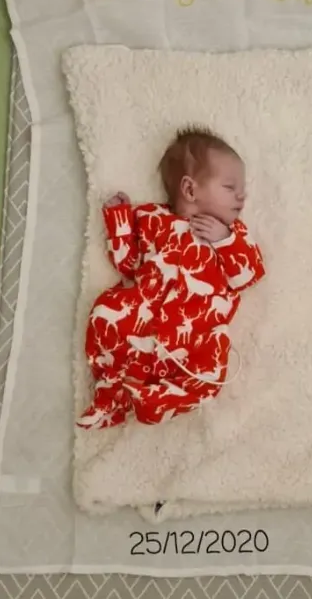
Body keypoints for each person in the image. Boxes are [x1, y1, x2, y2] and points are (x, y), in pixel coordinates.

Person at [77, 125, 265, 430]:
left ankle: (158, 401)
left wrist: (225, 240)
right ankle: (111, 394)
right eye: (230, 187)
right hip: (143, 323)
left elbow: (248, 276)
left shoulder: (233, 234)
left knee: (213, 371)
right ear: (190, 190)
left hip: (196, 338)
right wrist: (120, 220)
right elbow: (128, 263)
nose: (242, 195)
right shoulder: (152, 219)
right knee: (104, 313)